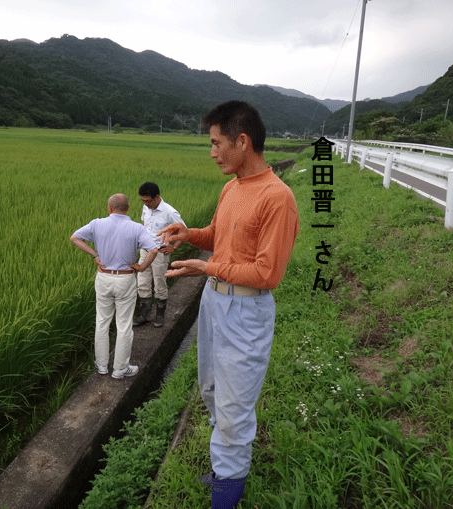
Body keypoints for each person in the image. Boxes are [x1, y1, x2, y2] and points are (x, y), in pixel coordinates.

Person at [158, 101, 300, 508]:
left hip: (246, 311)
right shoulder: (231, 187)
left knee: (235, 408)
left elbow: (267, 274)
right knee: (211, 389)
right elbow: (220, 236)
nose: (212, 152)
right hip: (214, 305)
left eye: (217, 143)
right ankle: (227, 468)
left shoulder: (278, 197)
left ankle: (226, 491)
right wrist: (190, 234)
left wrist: (208, 269)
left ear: (243, 140)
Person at [70, 194, 158, 379]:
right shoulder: (136, 228)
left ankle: (101, 366)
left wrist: (94, 255)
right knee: (124, 325)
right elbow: (154, 249)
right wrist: (142, 267)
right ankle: (120, 369)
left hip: (104, 277)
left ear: (109, 208)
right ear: (128, 208)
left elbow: (75, 238)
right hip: (125, 279)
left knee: (102, 322)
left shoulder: (97, 224)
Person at [133, 182, 185, 328]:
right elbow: (144, 225)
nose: (146, 204)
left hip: (160, 253)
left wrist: (174, 248)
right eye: (143, 201)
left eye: (148, 201)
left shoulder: (170, 212)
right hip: (145, 251)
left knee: (160, 283)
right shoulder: (146, 208)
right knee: (142, 282)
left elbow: (183, 231)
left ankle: (159, 316)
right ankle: (144, 315)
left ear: (157, 197)